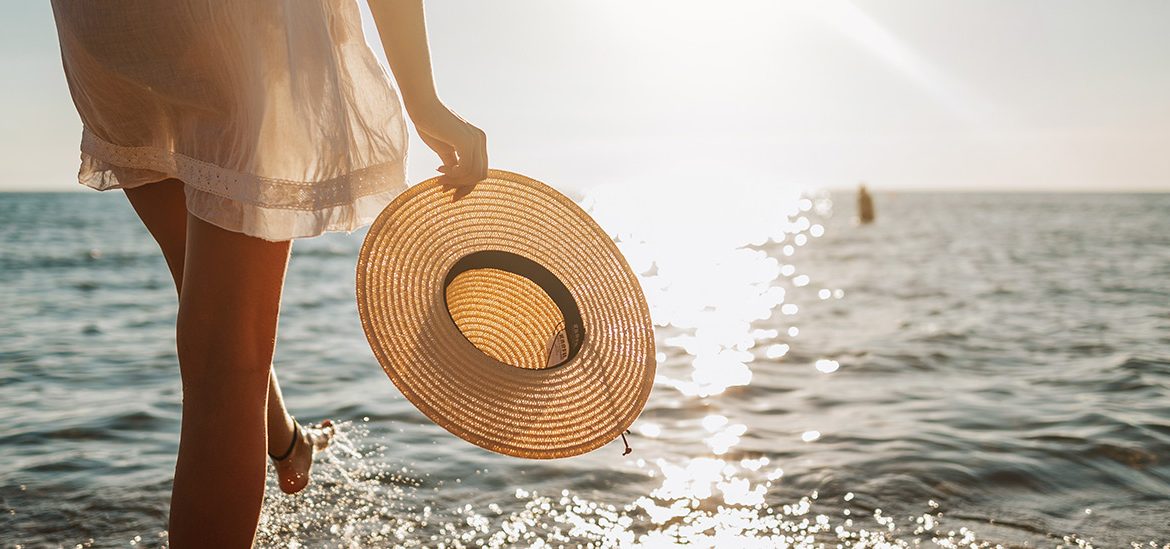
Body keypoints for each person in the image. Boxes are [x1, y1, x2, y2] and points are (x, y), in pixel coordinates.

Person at [48, 1, 488, 546]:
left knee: (209, 310)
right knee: (225, 363)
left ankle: (285, 440)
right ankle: (282, 442)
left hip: (114, 27)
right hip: (236, 26)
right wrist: (423, 99)